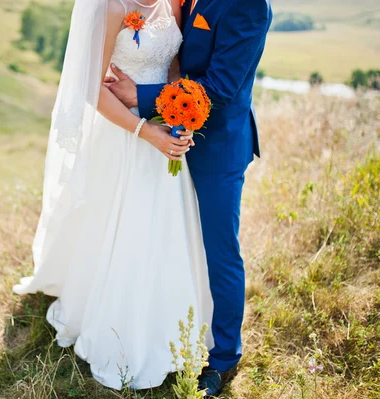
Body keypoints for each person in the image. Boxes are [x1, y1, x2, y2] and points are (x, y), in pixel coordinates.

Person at [13, 0, 215, 391]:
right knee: (125, 227)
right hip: (124, 137)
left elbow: (173, 69)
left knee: (165, 231)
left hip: (163, 132)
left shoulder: (173, 3)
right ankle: (119, 330)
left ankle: (170, 327)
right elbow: (93, 89)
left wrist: (180, 118)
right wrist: (145, 131)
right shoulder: (111, 7)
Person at [105, 0, 272, 394]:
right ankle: (164, 329)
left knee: (219, 250)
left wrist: (142, 96)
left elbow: (221, 88)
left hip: (217, 148)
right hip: (166, 137)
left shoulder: (248, 6)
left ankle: (224, 357)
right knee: (167, 237)